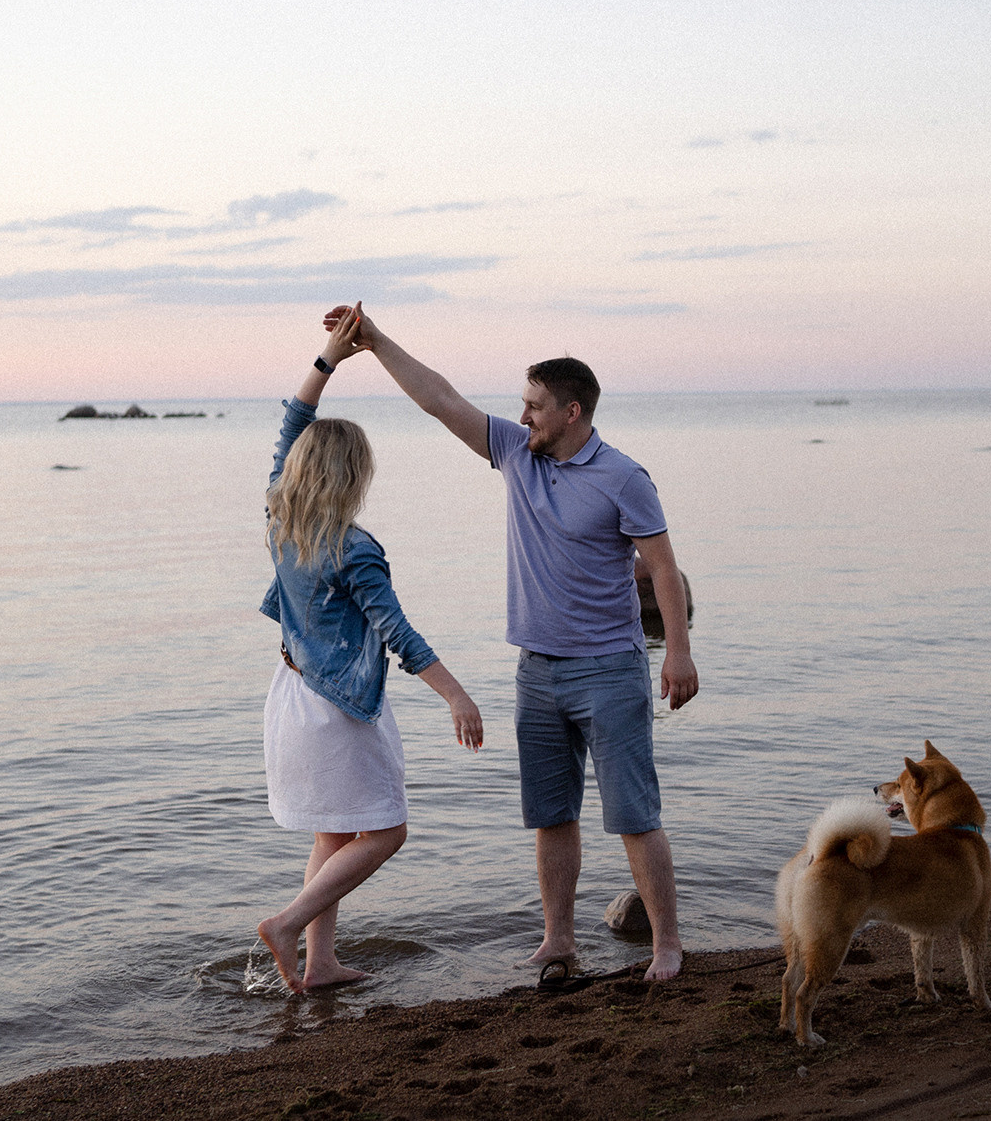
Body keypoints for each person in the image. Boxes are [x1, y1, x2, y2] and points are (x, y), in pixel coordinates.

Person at [324, 304, 698, 981]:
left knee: (635, 816)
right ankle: (559, 941)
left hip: (611, 670)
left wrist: (677, 651)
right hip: (538, 673)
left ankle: (667, 943)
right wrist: (375, 343)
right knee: (551, 816)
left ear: (572, 412)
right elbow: (440, 399)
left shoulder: (625, 478)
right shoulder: (514, 456)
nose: (522, 416)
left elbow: (664, 569)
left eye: (534, 406)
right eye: (522, 406)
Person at [256, 308, 484, 993]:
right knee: (385, 832)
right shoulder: (355, 549)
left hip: (292, 696)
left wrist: (331, 354)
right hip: (340, 709)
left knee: (333, 834)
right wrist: (457, 694)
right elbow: (398, 633)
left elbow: (292, 421)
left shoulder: (278, 516)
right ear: (352, 476)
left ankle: (320, 962)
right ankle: (289, 923)